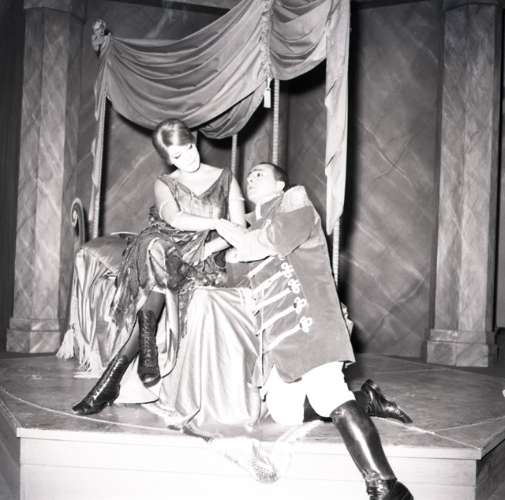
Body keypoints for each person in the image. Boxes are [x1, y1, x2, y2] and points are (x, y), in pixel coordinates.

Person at [212, 162, 413, 500]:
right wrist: (222, 253)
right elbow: (238, 281)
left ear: (280, 184)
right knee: (285, 413)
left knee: (328, 394)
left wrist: (228, 231)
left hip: (312, 319)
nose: (251, 177)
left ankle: (386, 486)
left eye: (260, 173)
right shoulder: (249, 225)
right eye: (249, 175)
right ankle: (367, 399)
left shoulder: (294, 201)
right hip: (280, 338)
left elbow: (270, 241)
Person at [72, 118, 245, 415]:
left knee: (159, 270)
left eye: (189, 148)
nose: (188, 157)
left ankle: (113, 377)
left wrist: (206, 248)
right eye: (178, 155)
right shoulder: (164, 183)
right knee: (155, 247)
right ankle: (145, 345)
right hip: (166, 247)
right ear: (168, 159)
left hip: (205, 254)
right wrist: (217, 221)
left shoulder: (225, 178)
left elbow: (239, 228)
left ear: (194, 142)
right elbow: (175, 219)